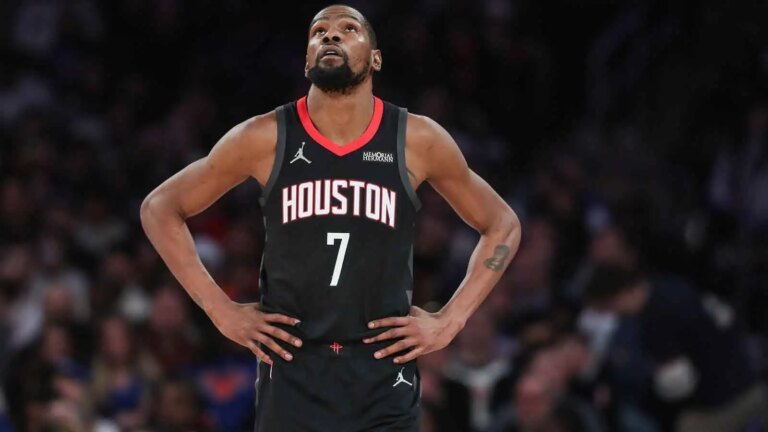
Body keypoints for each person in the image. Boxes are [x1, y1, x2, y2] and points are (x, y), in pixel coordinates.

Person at [140, 4, 521, 431]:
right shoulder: (265, 136)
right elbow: (160, 208)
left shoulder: (417, 138)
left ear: (376, 58)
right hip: (292, 375)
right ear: (306, 60)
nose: (330, 35)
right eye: (318, 30)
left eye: (348, 28)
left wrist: (451, 320)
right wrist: (219, 310)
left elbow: (502, 224)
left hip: (383, 378)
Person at [584, 264, 768, 432]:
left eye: (606, 308)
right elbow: (726, 319)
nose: (612, 314)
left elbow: (678, 384)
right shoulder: (671, 284)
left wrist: (641, 376)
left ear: (617, 296)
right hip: (751, 381)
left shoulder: (654, 320)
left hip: (724, 403)